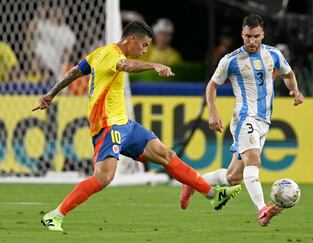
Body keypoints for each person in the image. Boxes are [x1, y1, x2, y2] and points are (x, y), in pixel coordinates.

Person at [33, 21, 241, 232]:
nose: (144, 51)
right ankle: (55, 215)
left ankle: (214, 195)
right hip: (108, 126)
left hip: (125, 125)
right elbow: (125, 66)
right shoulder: (110, 54)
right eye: (143, 45)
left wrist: (51, 94)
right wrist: (154, 65)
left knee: (166, 155)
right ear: (131, 39)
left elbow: (75, 72)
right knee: (103, 178)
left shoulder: (98, 54)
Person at [179, 14, 304, 227]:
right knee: (253, 161)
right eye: (248, 36)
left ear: (262, 34)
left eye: (256, 36)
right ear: (242, 34)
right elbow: (212, 86)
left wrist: (296, 91)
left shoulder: (273, 54)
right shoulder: (231, 60)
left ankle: (193, 183)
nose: (252, 41)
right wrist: (213, 112)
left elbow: (288, 73)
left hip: (264, 120)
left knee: (233, 177)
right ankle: (262, 210)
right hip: (245, 117)